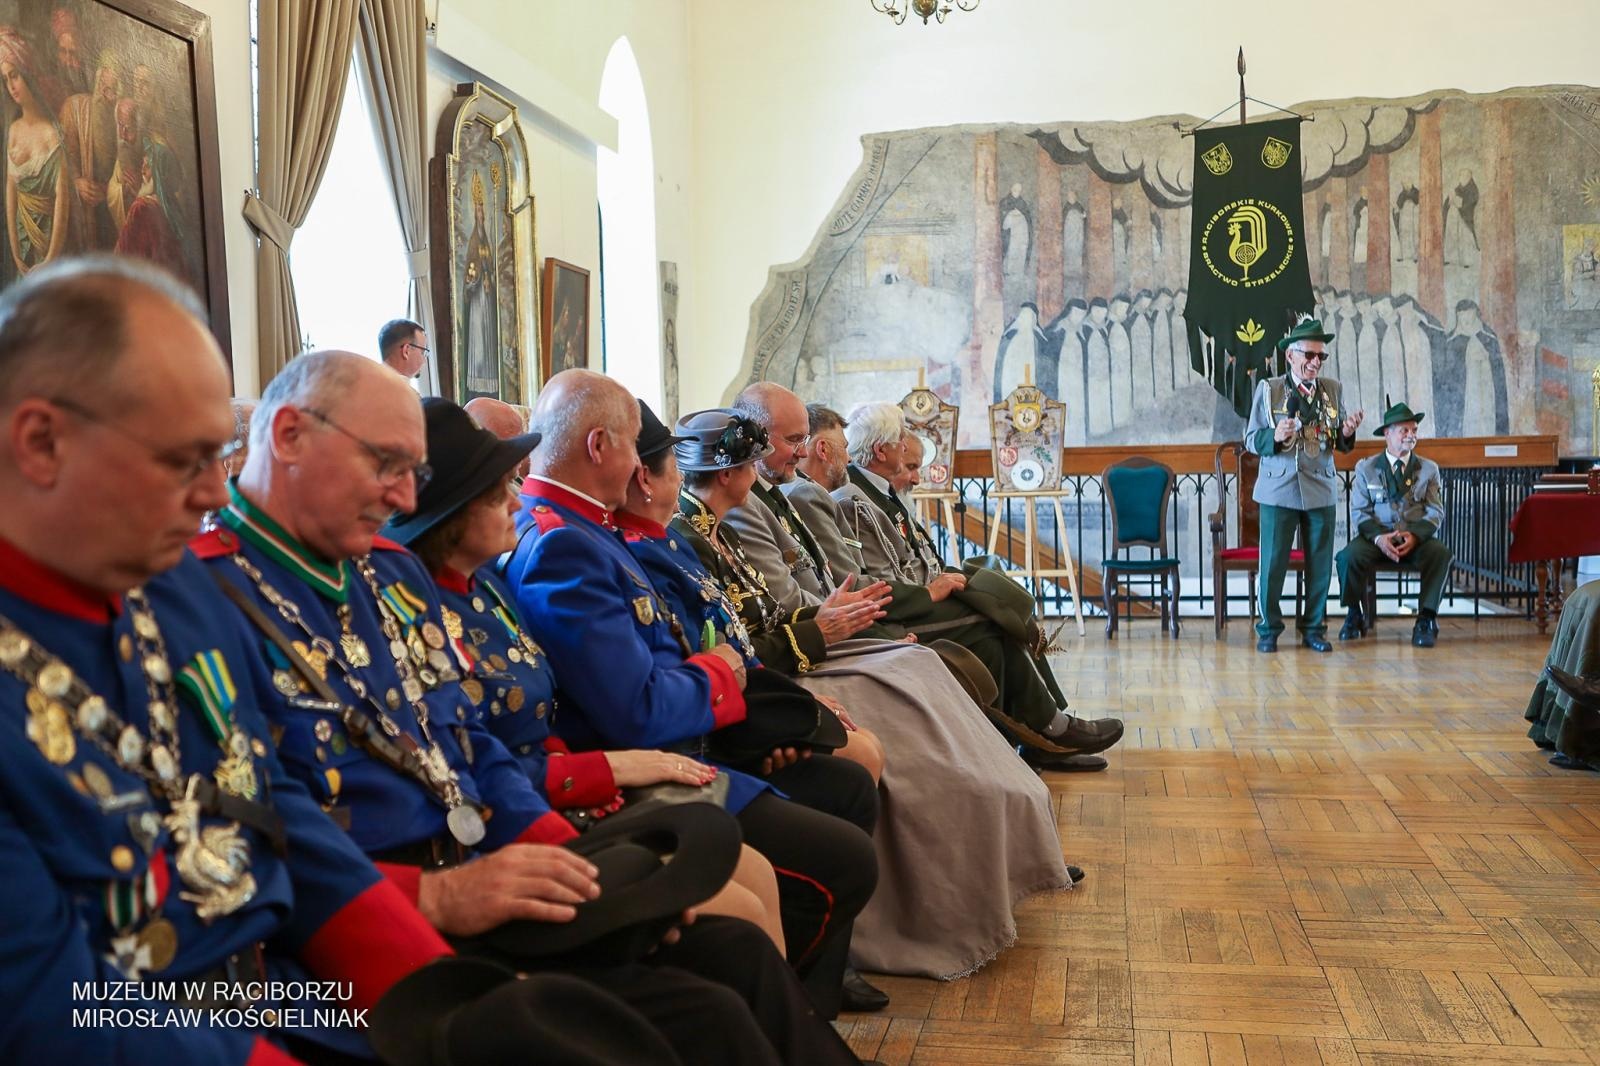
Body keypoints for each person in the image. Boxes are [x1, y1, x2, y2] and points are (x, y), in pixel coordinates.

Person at [0, 254, 687, 1064]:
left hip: (276, 984)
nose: (217, 493)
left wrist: (444, 998)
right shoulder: (200, 583)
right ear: (42, 442)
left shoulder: (172, 593)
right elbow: (57, 1013)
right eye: (185, 461)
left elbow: (272, 803)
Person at [198, 352, 859, 1066]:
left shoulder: (386, 571)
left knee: (729, 952)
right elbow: (251, 840)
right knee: (696, 1014)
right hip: (350, 933)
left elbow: (468, 743)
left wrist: (572, 863)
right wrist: (441, 899)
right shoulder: (206, 598)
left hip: (484, 862)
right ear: (290, 436)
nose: (402, 496)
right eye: (386, 464)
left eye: (411, 475)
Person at [630, 404, 1073, 980]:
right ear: (732, 472)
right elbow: (737, 643)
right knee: (910, 695)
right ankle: (950, 873)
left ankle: (1011, 824)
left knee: (922, 665)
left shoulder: (707, 529)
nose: (781, 458)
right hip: (776, 677)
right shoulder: (685, 537)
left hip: (790, 656)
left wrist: (829, 615)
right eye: (774, 448)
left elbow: (757, 620)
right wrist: (822, 627)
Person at [500, 369, 882, 1020]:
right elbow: (639, 711)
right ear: (601, 448)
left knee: (844, 822)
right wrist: (726, 683)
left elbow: (680, 653)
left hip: (692, 744)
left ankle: (800, 1020)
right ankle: (795, 1023)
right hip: (652, 772)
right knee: (840, 861)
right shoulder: (564, 544)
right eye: (635, 447)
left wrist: (741, 700)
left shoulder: (592, 531)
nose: (655, 470)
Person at [384, 397, 788, 953]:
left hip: (553, 791)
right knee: (739, 916)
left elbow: (534, 714)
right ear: (451, 514)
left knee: (744, 868)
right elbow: (471, 759)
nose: (515, 497)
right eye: (496, 488)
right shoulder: (423, 602)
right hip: (505, 824)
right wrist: (602, 773)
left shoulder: (487, 587)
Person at [743, 387, 1120, 767]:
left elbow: (843, 575)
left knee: (991, 614)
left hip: (859, 614)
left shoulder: (788, 496)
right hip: (860, 620)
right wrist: (917, 603)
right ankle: (1044, 732)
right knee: (987, 622)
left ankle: (1034, 733)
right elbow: (842, 584)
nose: (804, 451)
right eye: (795, 440)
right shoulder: (816, 497)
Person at [1243, 319, 1364, 653]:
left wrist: (1348, 433)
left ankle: (1313, 628)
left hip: (1320, 486)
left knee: (1320, 563)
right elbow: (1251, 439)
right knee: (1272, 563)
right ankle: (1268, 629)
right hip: (1279, 487)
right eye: (1309, 355)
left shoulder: (1332, 389)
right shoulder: (1270, 389)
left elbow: (1336, 440)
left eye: (1321, 357)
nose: (1315, 362)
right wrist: (1276, 436)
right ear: (1291, 357)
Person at [1335, 402, 1451, 648]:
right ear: (1387, 433)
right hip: (1377, 539)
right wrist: (1379, 538)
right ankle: (1354, 613)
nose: (1411, 436)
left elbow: (1435, 511)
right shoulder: (1366, 468)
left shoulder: (1428, 469)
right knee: (1347, 557)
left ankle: (1426, 619)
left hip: (1414, 538)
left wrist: (1415, 536)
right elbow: (1359, 511)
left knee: (1441, 554)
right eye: (1404, 431)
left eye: (1414, 430)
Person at [1, 28, 73, 274]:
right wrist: (14, 252)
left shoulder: (52, 133)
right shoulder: (13, 129)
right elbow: (10, 191)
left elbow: (62, 201)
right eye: (6, 79)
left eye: (15, 76)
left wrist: (50, 260)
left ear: (28, 74)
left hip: (49, 246)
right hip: (21, 244)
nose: (11, 85)